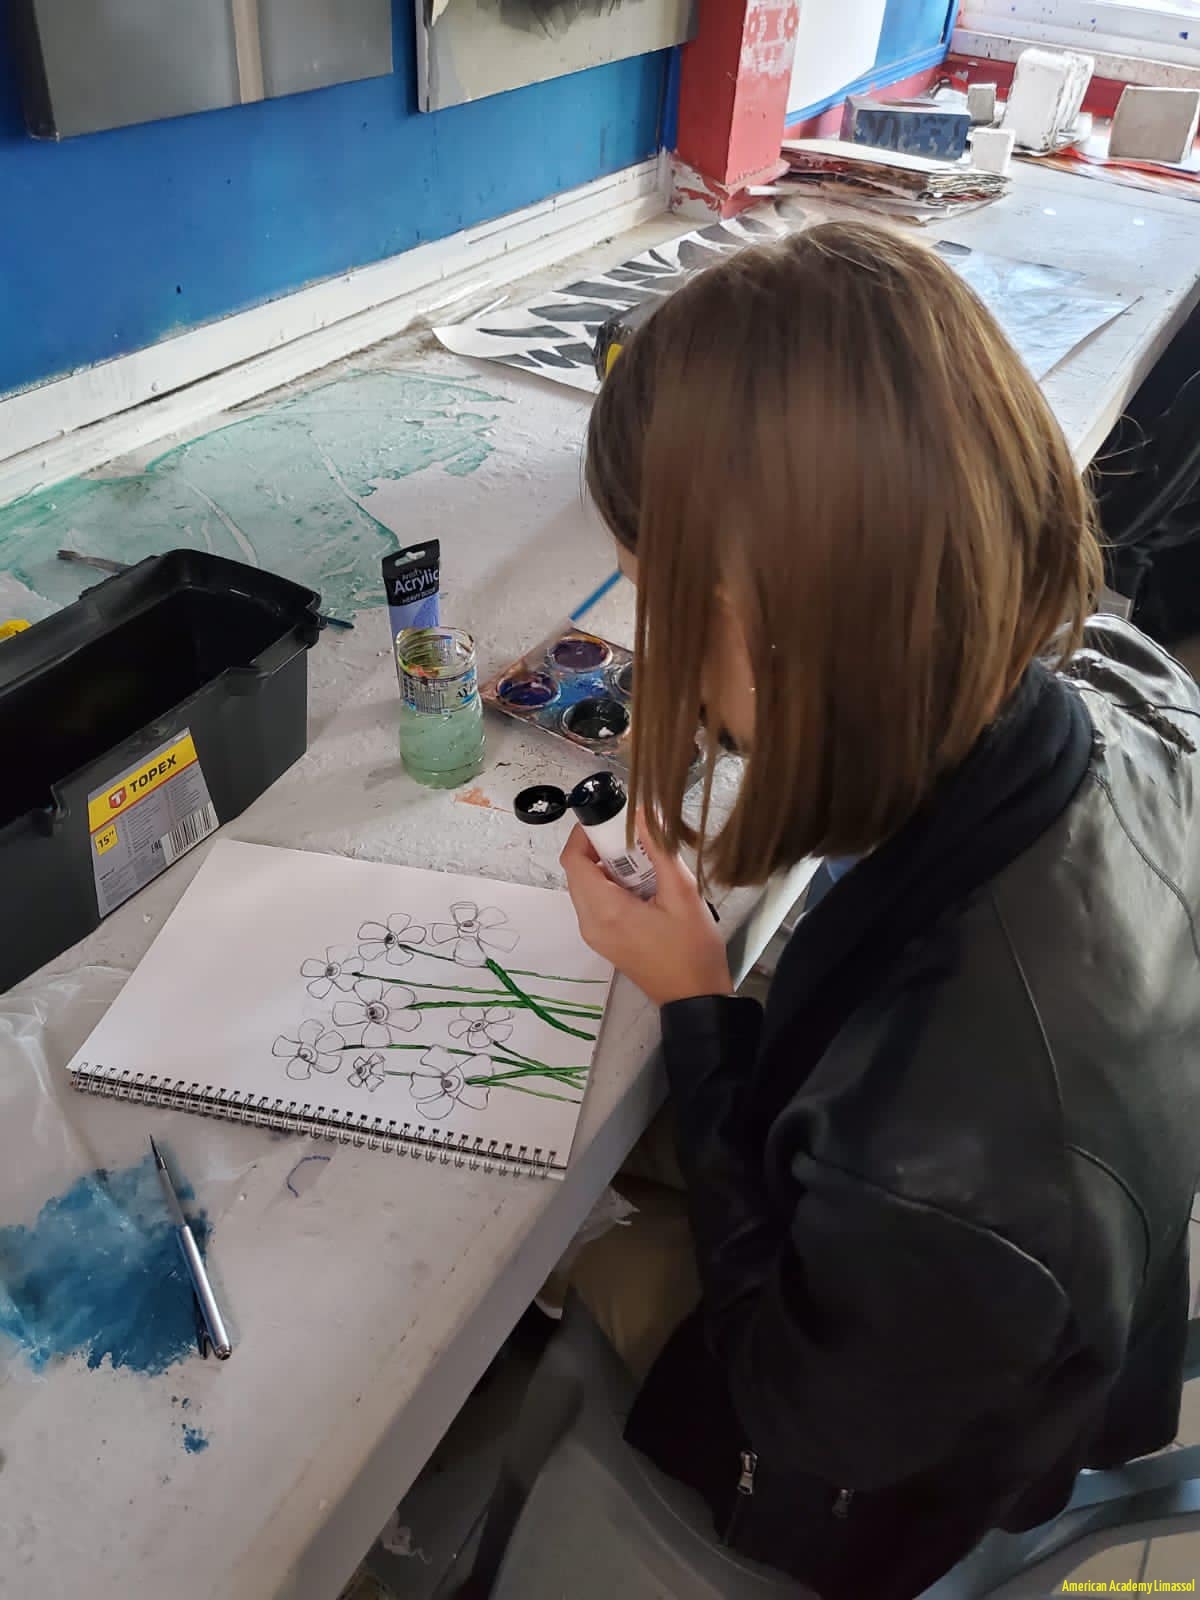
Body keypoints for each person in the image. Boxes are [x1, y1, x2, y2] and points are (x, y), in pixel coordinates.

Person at [557, 222, 1200, 1600]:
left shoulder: (939, 1139)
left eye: (663, 609)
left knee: (534, 1292)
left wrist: (698, 1008)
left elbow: (790, 1403)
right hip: (1016, 1300)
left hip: (883, 1473)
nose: (660, 661)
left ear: (768, 631)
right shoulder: (1126, 681)